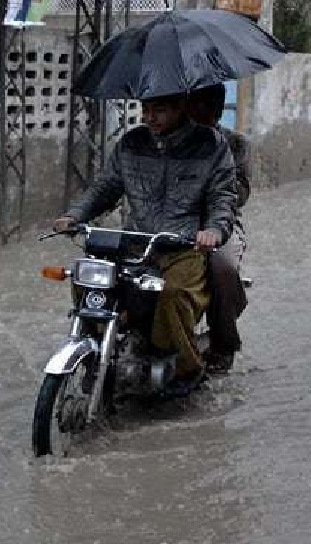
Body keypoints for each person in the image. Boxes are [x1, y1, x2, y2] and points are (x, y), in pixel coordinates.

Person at [53, 93, 238, 395]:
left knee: (174, 293)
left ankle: (184, 368)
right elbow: (106, 187)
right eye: (146, 109)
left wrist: (214, 230)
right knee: (89, 280)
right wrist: (75, 215)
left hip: (183, 246)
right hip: (134, 243)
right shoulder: (131, 143)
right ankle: (96, 353)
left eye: (159, 110)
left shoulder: (211, 145)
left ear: (181, 109)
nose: (149, 117)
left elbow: (223, 196)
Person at [186, 83, 250, 375]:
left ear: (218, 110)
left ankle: (224, 343)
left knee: (221, 268)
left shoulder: (235, 144)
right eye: (193, 108)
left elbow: (241, 193)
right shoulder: (174, 142)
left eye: (205, 110)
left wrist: (213, 185)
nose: (198, 116)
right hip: (174, 223)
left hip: (221, 225)